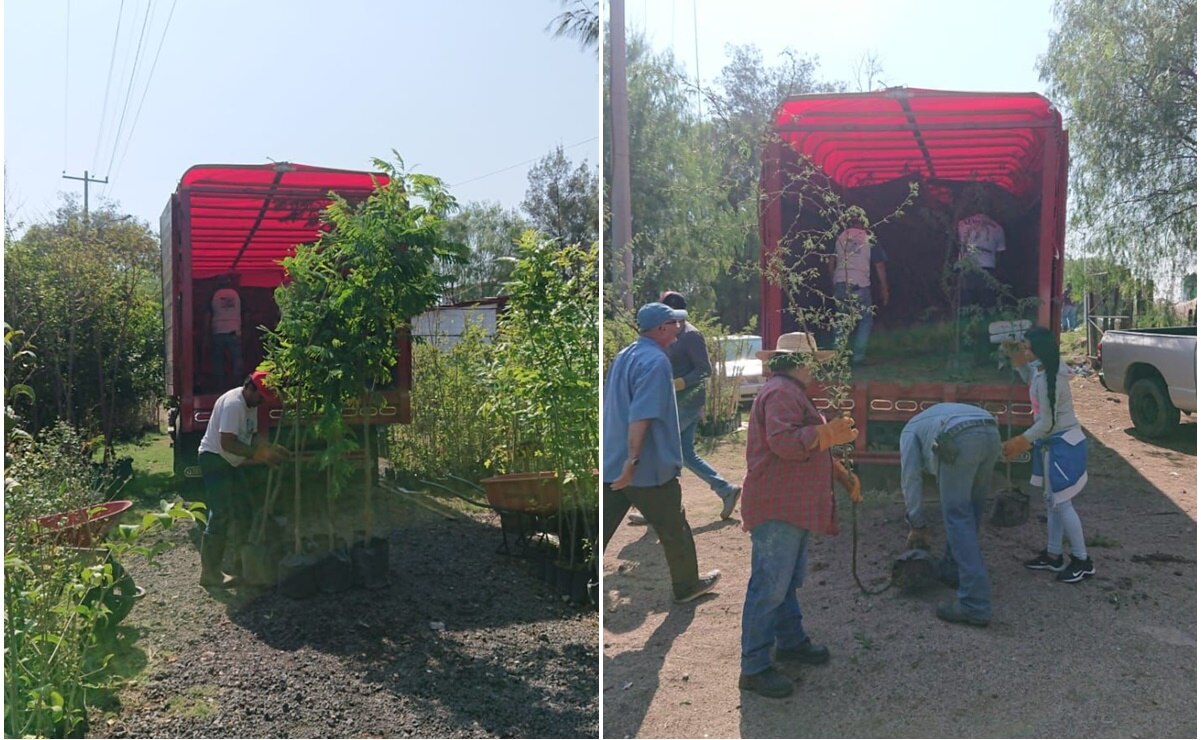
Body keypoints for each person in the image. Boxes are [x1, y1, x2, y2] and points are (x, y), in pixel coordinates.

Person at [737, 332, 861, 699]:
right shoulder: (780, 393)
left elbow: (804, 445)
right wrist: (825, 433)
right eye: (813, 364)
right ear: (801, 363)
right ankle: (754, 667)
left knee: (786, 582)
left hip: (788, 505)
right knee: (770, 586)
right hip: (778, 506)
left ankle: (789, 641)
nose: (815, 371)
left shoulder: (787, 391)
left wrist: (839, 473)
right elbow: (785, 443)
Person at [602, 302, 722, 604]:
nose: (679, 329)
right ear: (661, 329)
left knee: (598, 528)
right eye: (674, 324)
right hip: (646, 468)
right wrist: (634, 460)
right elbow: (641, 416)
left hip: (613, 462)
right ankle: (686, 586)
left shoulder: (625, 355)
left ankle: (579, 580)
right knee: (673, 528)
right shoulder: (656, 362)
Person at [1002, 327, 1095, 583]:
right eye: (1024, 347)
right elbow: (1029, 378)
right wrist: (1018, 361)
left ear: (1040, 350)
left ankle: (1082, 560)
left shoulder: (1050, 378)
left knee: (1063, 503)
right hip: (1052, 444)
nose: (1026, 351)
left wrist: (1021, 441)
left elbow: (1046, 423)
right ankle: (1054, 555)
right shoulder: (1043, 369)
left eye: (1028, 348)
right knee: (1052, 502)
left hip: (1062, 444)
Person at [899, 402, 1002, 627]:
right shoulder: (929, 419)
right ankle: (952, 568)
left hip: (957, 437)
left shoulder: (908, 431)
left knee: (957, 515)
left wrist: (916, 523)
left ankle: (975, 604)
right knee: (971, 510)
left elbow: (911, 478)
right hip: (991, 431)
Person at [196, 371, 288, 588]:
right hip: (215, 458)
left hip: (230, 461)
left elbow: (251, 435)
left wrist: (269, 447)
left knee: (243, 509)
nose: (262, 401)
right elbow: (227, 442)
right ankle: (209, 574)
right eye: (261, 396)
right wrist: (257, 455)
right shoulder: (234, 404)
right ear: (250, 387)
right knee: (220, 513)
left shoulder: (250, 405)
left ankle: (241, 565)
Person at [658, 290, 742, 519]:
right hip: (674, 402)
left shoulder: (692, 335)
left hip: (688, 402)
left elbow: (705, 369)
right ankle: (726, 490)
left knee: (660, 447)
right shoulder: (668, 333)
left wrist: (680, 382)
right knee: (685, 454)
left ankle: (659, 507)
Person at [829, 221, 890, 366]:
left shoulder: (840, 237)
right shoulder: (869, 238)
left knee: (842, 321)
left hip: (840, 283)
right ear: (863, 224)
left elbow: (831, 262)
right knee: (865, 320)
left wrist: (834, 281)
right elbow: (879, 265)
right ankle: (859, 356)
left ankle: (837, 356)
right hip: (860, 284)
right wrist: (884, 288)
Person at [209, 274, 244, 389]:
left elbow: (208, 314)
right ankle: (237, 384)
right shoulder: (236, 295)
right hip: (234, 330)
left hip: (218, 331)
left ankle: (220, 386)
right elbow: (245, 312)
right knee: (236, 358)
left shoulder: (214, 295)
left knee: (218, 360)